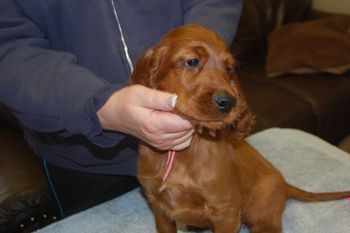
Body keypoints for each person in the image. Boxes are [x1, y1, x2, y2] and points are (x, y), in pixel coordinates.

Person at [0, 0, 243, 218]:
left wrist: (199, 53)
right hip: (80, 155)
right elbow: (8, 46)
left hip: (195, 144)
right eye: (191, 63)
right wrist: (98, 106)